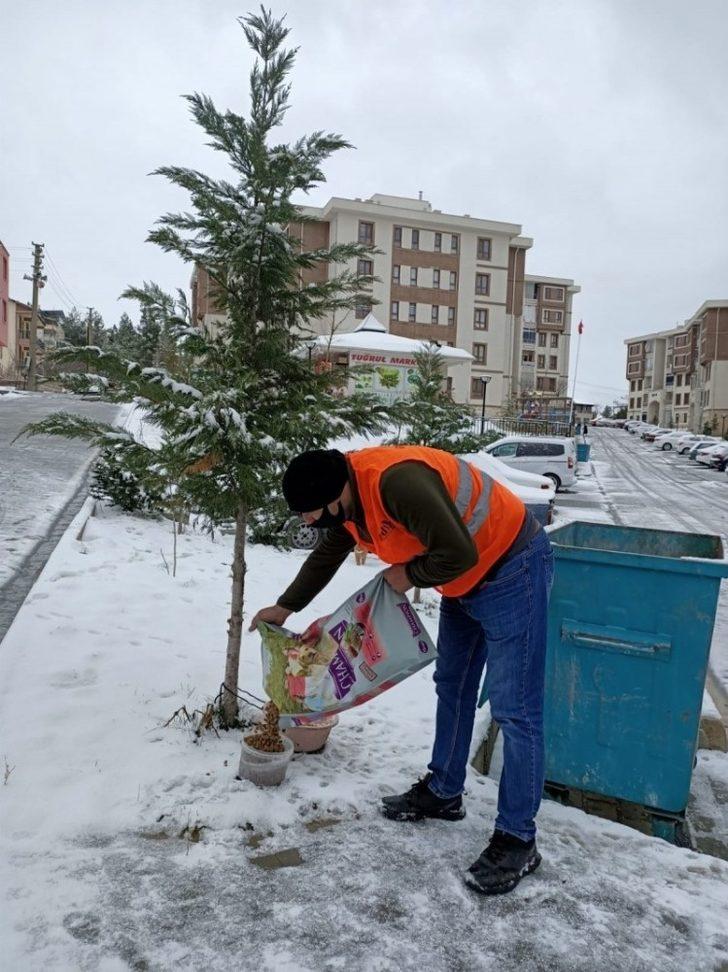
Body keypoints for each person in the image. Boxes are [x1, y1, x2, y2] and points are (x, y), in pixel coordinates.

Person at [250, 445, 554, 895]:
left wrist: (409, 574)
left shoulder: (396, 483)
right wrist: (285, 607)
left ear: (335, 494)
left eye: (311, 512)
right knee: (452, 686)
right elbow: (327, 554)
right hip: (461, 581)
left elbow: (458, 551)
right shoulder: (348, 503)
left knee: (515, 709)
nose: (308, 522)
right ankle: (445, 792)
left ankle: (518, 838)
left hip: (511, 568)